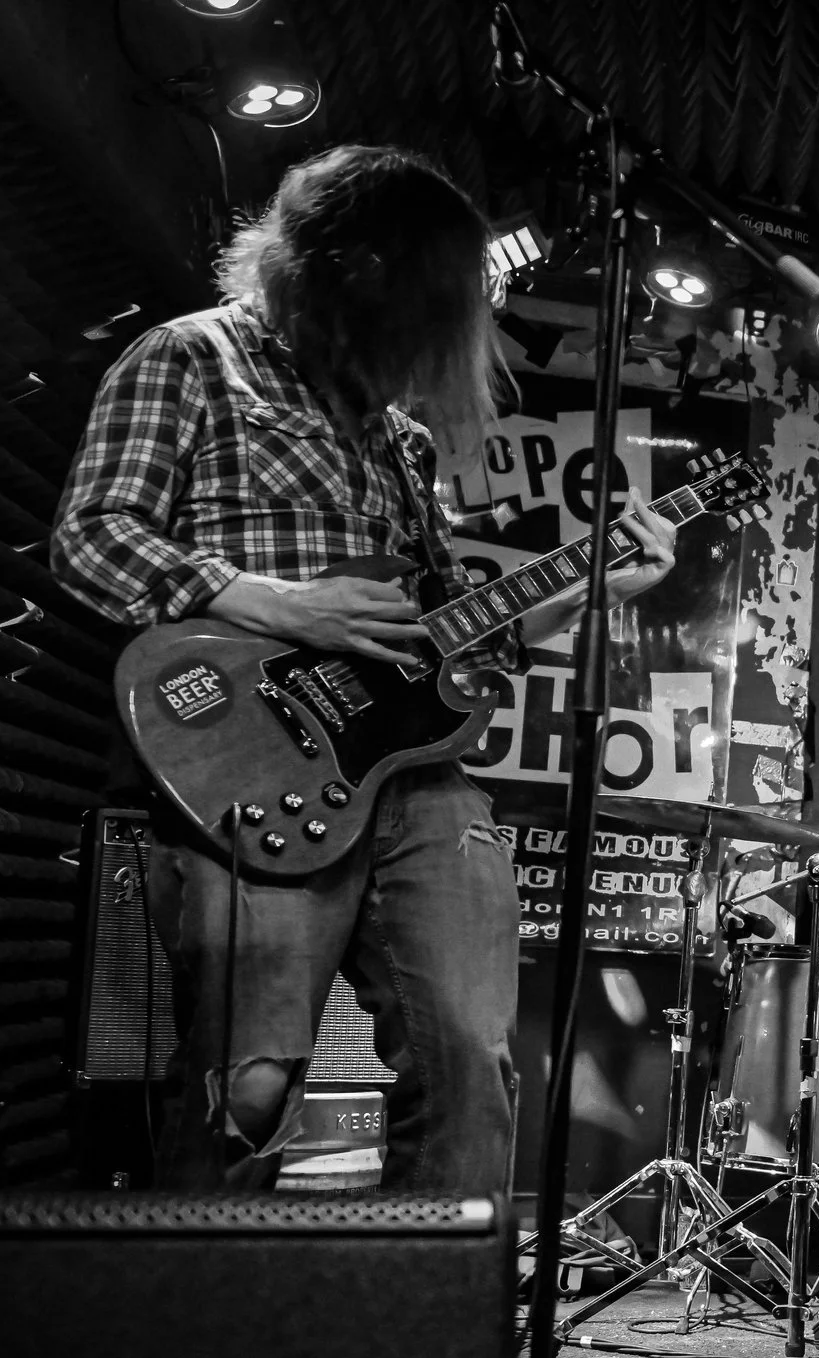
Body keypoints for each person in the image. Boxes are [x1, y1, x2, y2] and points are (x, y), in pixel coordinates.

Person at [52, 145, 677, 1194]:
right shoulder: (191, 357)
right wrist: (283, 605)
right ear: (352, 271)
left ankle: (424, 1299)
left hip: (413, 780)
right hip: (252, 764)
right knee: (247, 1088)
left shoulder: (402, 442)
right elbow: (92, 537)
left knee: (472, 1063)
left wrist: (590, 589)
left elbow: (447, 640)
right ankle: (192, 1297)